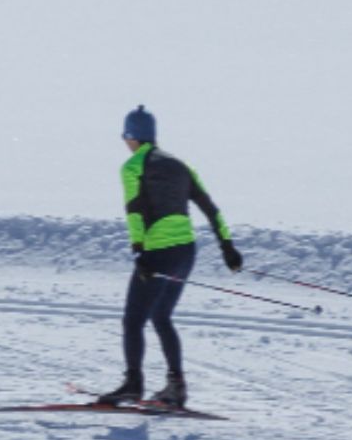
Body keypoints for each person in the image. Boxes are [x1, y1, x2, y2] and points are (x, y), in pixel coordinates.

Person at [97, 106, 243, 409]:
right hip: (186, 252)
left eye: (125, 137)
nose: (125, 142)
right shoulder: (180, 165)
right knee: (161, 316)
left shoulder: (132, 166)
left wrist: (139, 251)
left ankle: (133, 385)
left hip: (158, 252)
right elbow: (210, 208)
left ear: (132, 136)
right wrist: (227, 247)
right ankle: (176, 386)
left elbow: (135, 211)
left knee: (133, 320)